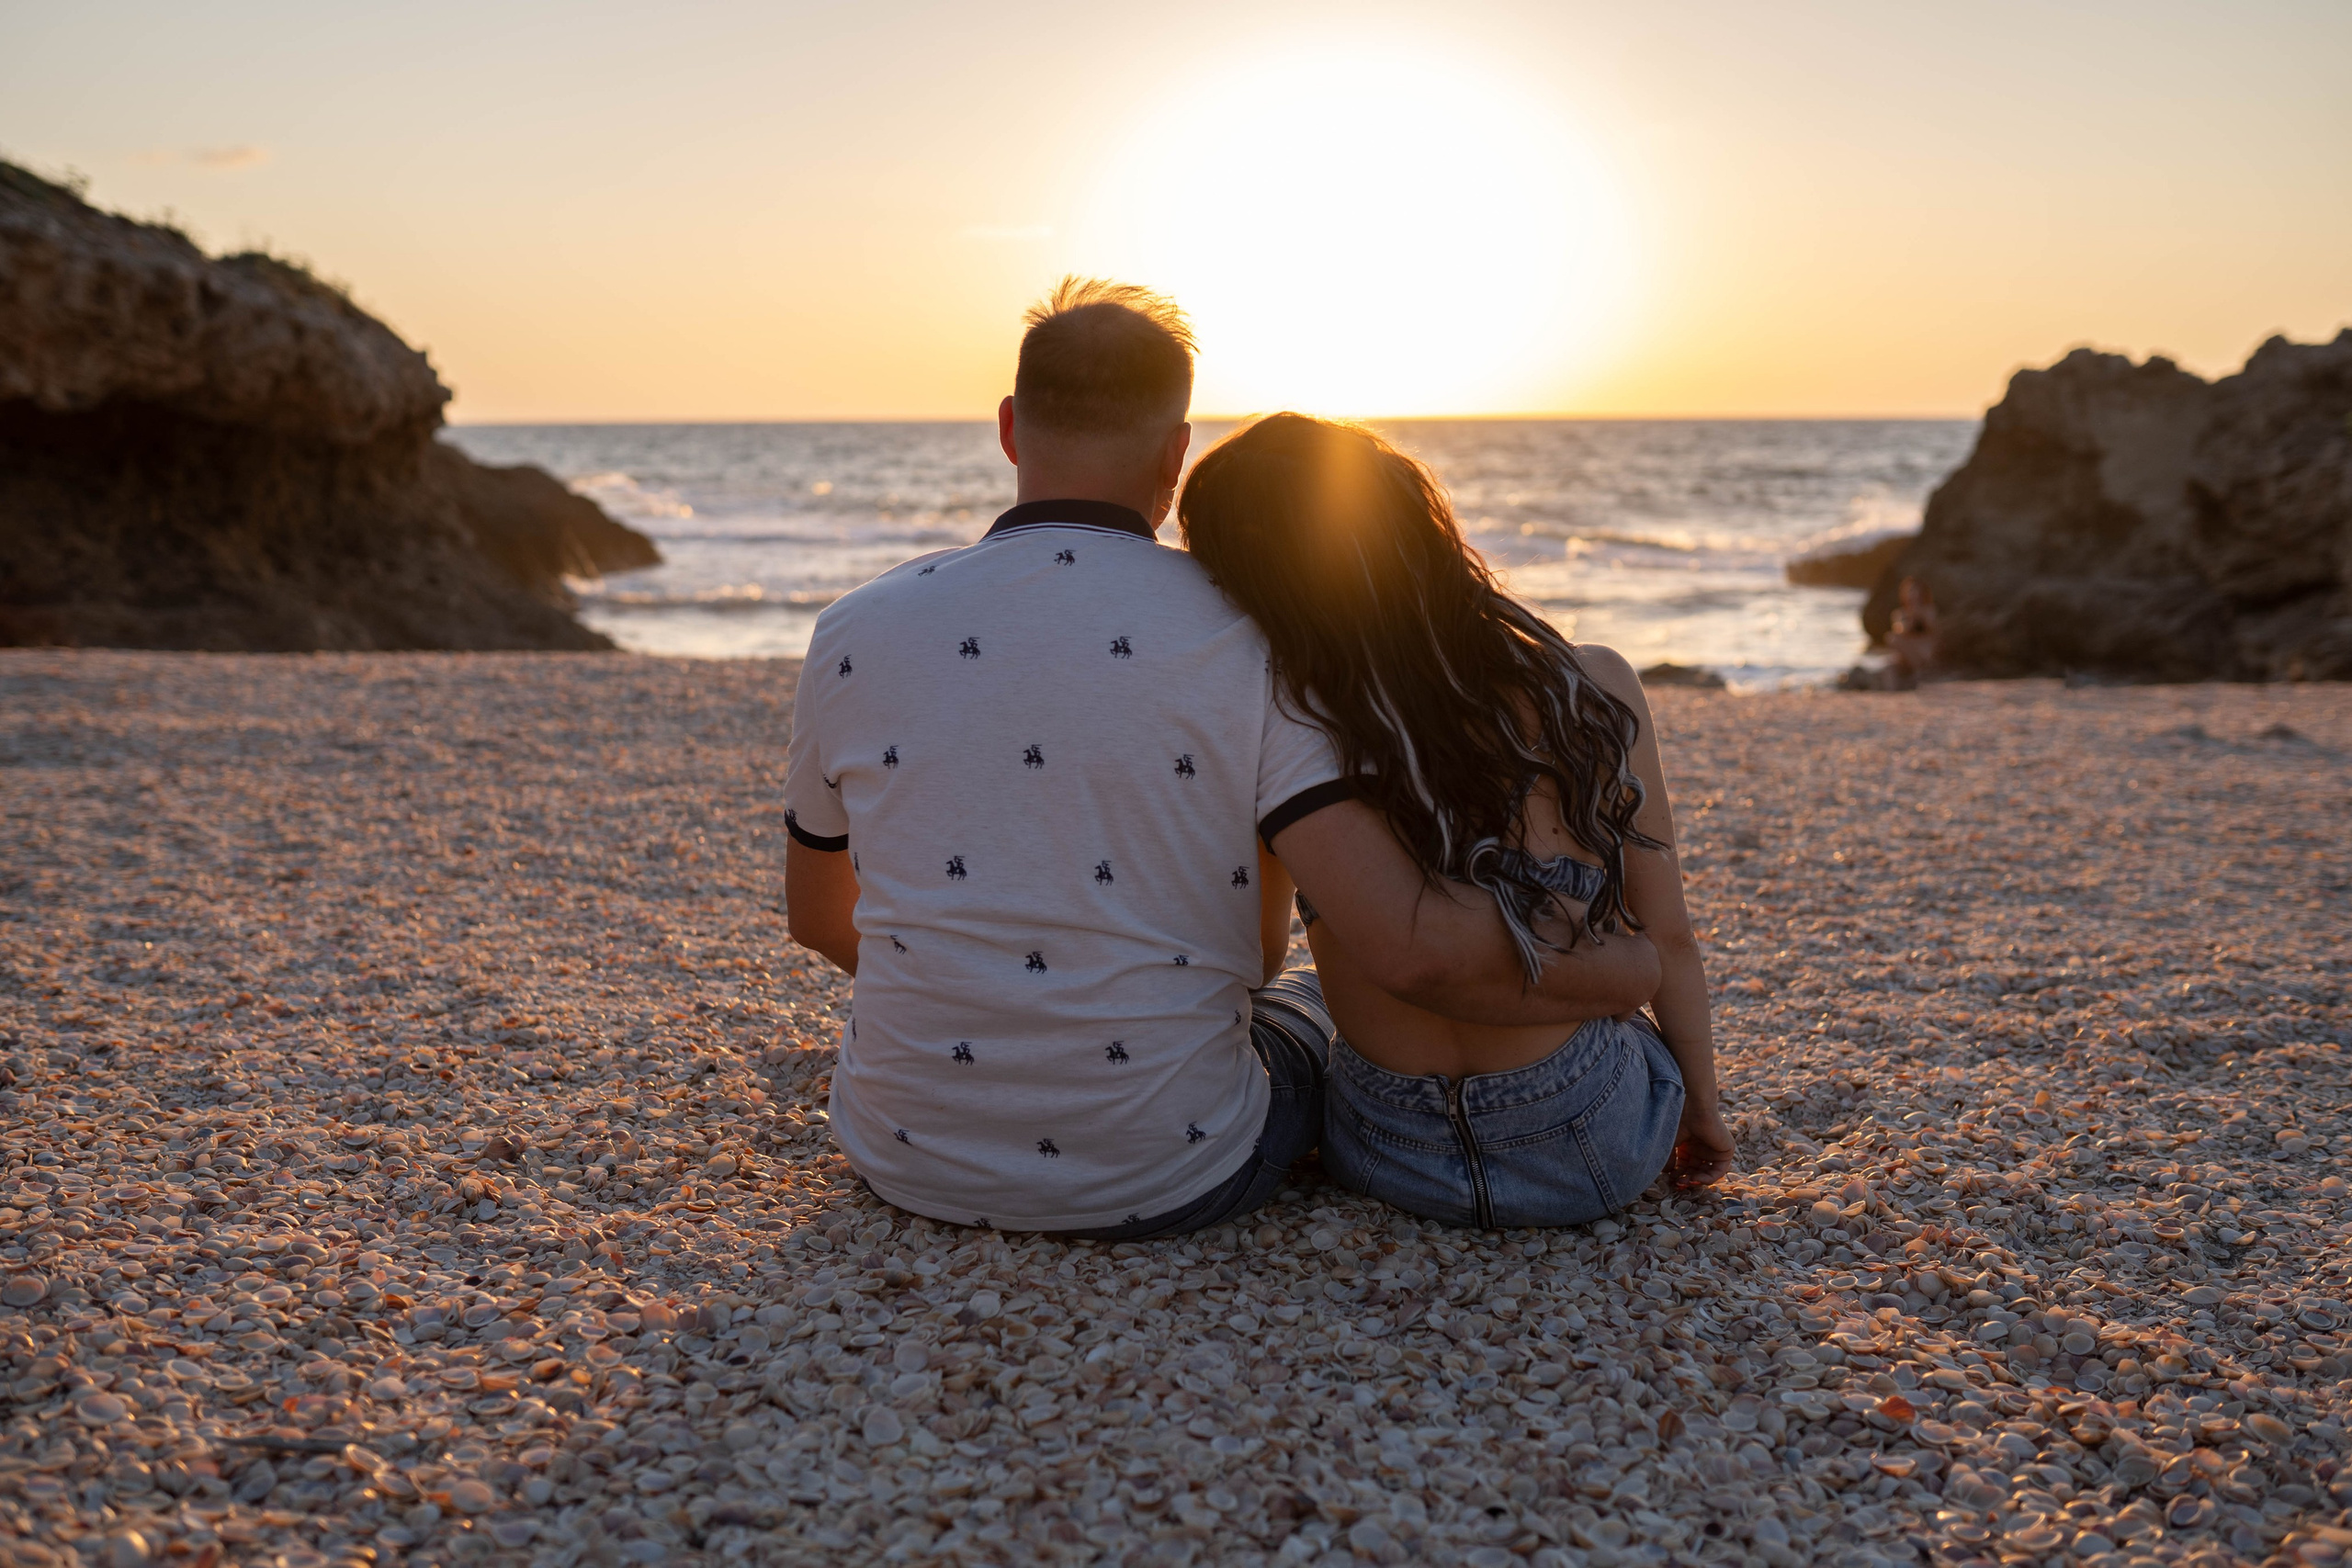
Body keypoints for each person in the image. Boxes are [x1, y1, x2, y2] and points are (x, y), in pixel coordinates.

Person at [782, 278, 1658, 1238]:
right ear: (1175, 451)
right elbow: (1380, 949)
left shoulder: (852, 630)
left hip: (905, 1151)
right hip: (1175, 1167)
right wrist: (1634, 973)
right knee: (1308, 1000)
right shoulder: (1252, 634)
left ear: (1007, 430)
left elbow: (820, 919)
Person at [1180, 413, 1731, 1228]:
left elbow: (1260, 953)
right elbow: (1671, 936)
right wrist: (1704, 1115)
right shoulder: (1593, 685)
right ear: (1418, 528)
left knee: (1301, 988)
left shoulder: (1289, 720)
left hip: (1384, 1145)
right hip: (1593, 1136)